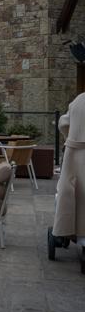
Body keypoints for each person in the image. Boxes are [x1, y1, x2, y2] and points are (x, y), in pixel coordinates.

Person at [53, 93, 85, 244]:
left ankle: (69, 231)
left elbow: (63, 123)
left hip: (76, 153)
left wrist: (70, 138)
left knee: (70, 191)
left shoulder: (80, 100)